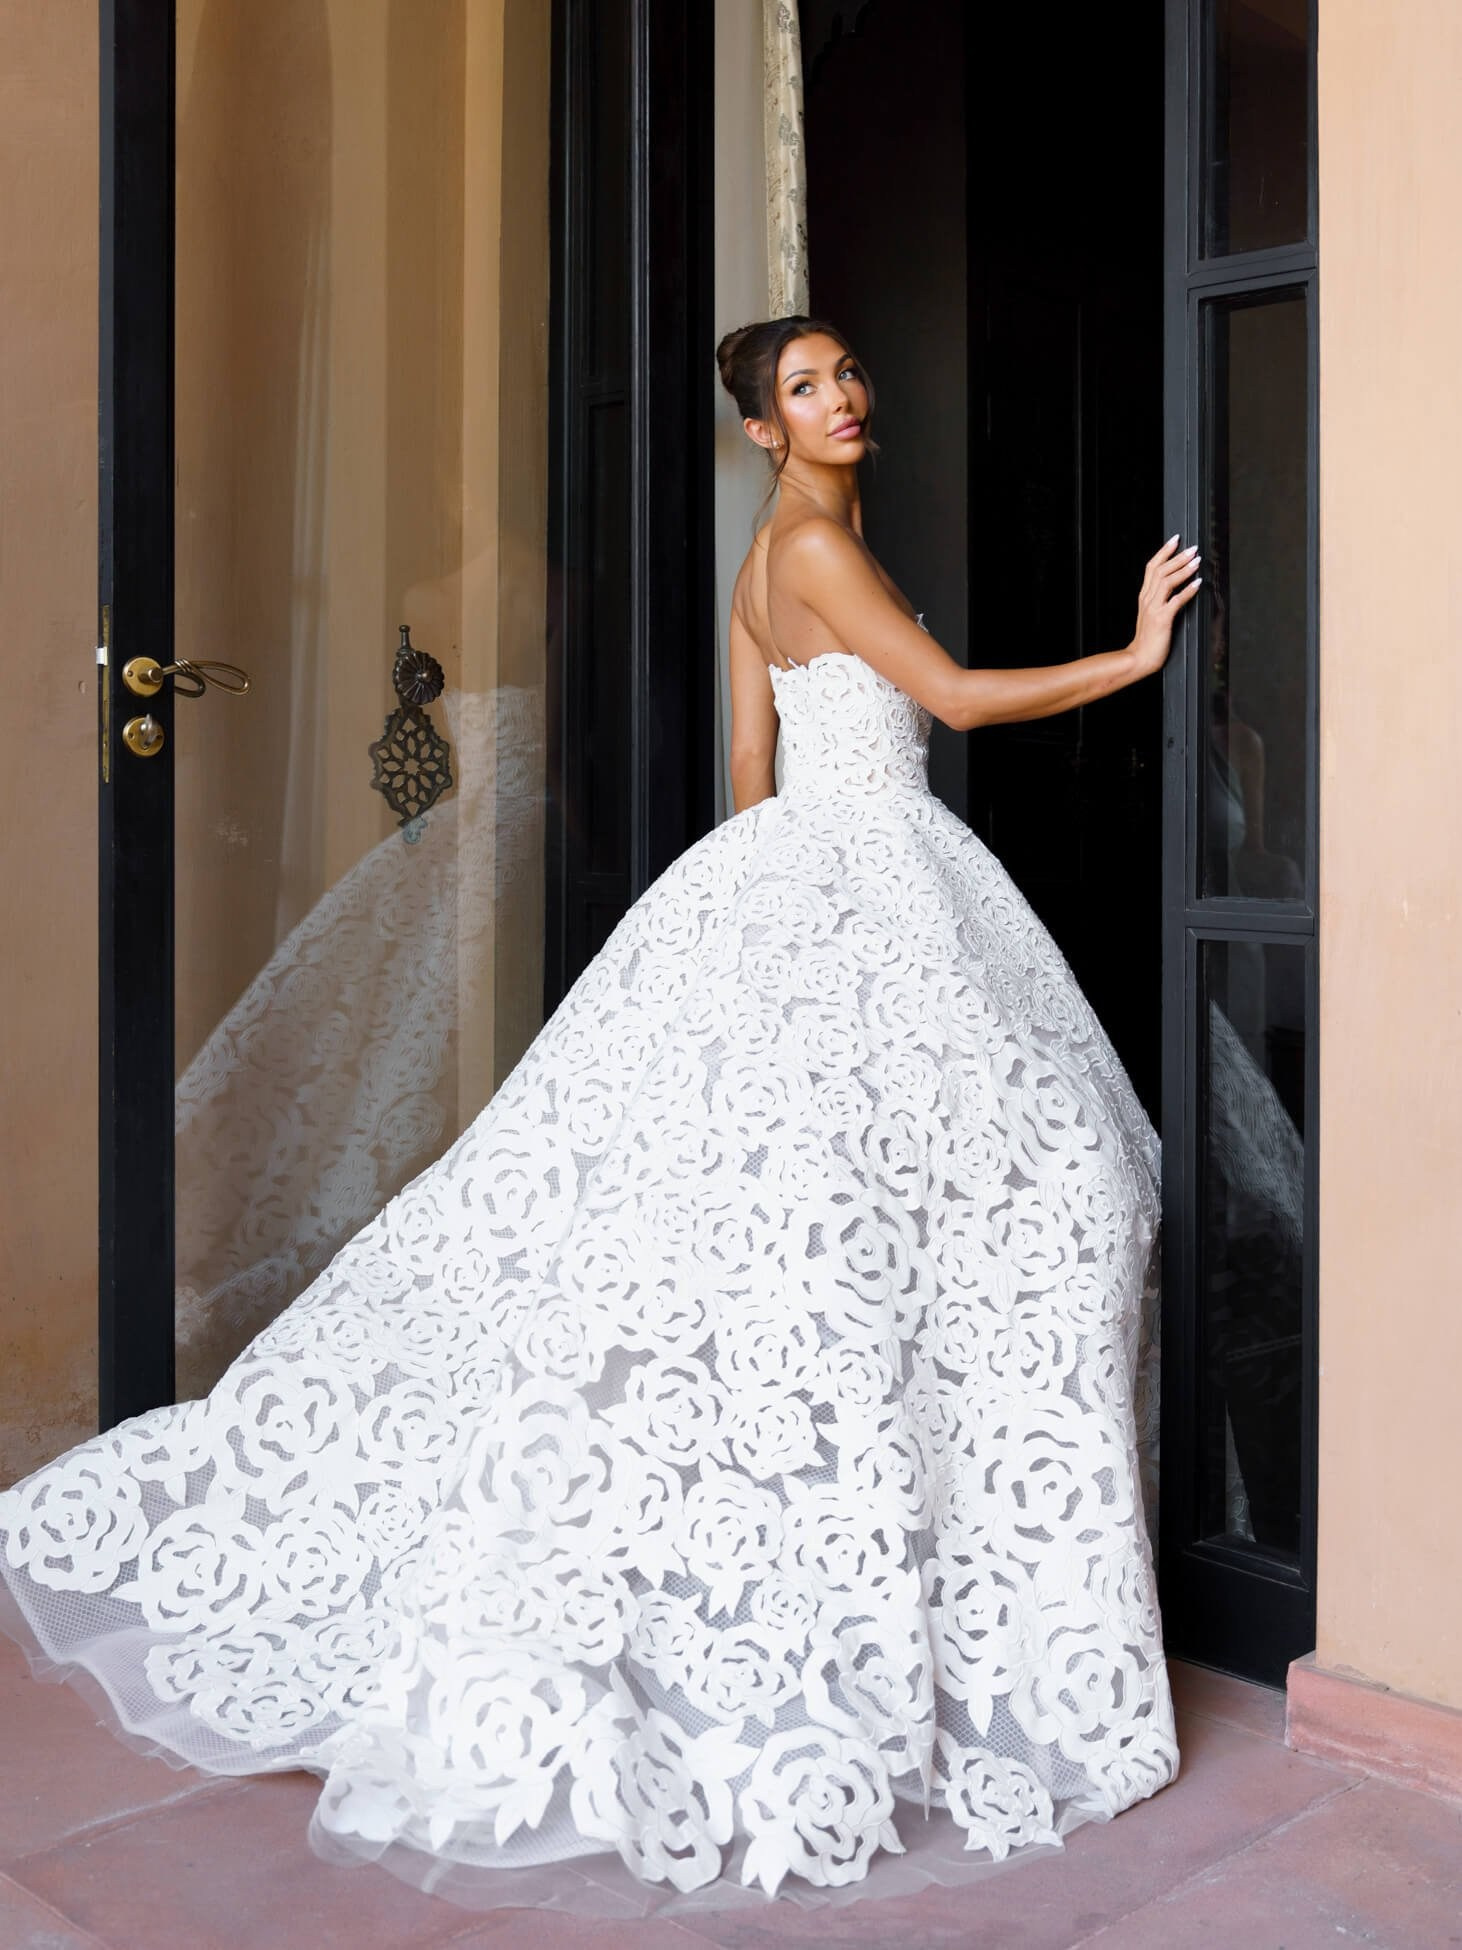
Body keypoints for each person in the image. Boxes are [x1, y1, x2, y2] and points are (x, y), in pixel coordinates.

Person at [0, 315, 1200, 1915]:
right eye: (802, 387)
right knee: (1021, 1197)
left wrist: (768, 963)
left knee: (876, 1238)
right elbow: (956, 705)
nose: (839, 396)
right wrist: (1129, 655)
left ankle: (894, 1581)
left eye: (842, 371)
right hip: (862, 878)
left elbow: (745, 765)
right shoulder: (817, 560)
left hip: (816, 889)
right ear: (764, 432)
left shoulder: (768, 564)